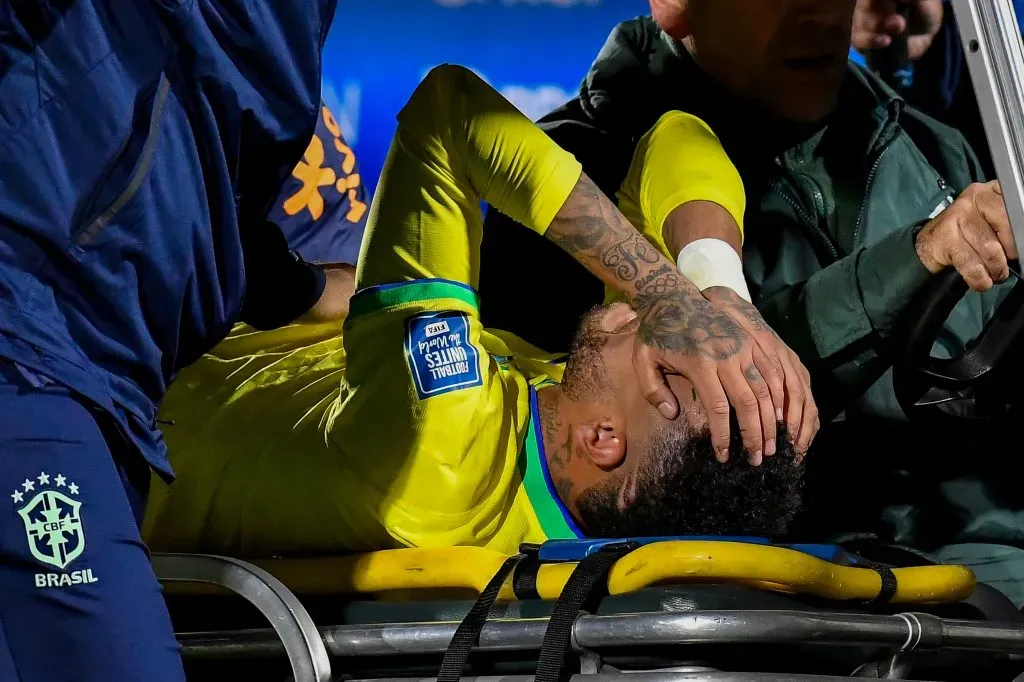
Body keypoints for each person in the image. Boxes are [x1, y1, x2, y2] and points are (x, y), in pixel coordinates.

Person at [143, 64, 810, 558]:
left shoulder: (443, 447)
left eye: (683, 364)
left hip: (137, 363)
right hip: (275, 327)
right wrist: (720, 293)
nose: (683, 338)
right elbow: (679, 133)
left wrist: (663, 294)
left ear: (602, 441)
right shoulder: (587, 439)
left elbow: (450, 114)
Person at [477, 0, 1024, 602]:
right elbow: (677, 445)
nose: (817, 15)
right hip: (804, 584)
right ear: (677, 8)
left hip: (988, 531)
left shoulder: (929, 146)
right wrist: (916, 259)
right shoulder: (573, 179)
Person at [0, 2, 350, 680]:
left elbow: (209, 186)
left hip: (110, 390)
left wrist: (305, 289)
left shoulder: (294, 30)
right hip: (31, 348)